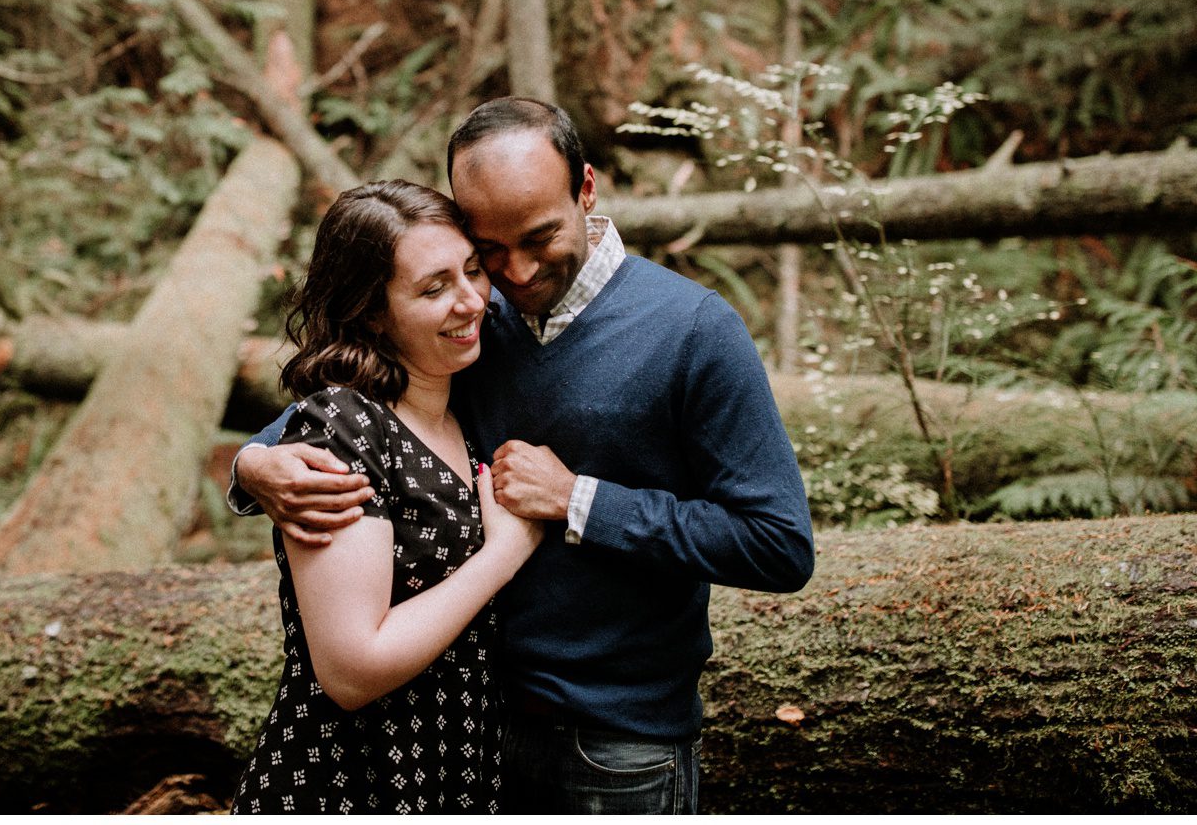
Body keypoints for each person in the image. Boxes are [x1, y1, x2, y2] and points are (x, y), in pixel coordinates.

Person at [234, 97, 816, 813]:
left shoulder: (695, 331)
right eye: (489, 250)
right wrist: (253, 464)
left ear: (587, 188)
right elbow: (347, 407)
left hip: (616, 744)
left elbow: (778, 545)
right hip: (471, 737)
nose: (514, 272)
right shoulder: (473, 318)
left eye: (539, 237)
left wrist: (579, 501)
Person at [232, 180, 544, 814]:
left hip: (456, 774)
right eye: (433, 289)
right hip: (349, 780)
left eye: (473, 271)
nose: (471, 301)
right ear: (372, 311)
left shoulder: (462, 408)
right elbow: (350, 671)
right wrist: (503, 555)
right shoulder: (343, 430)